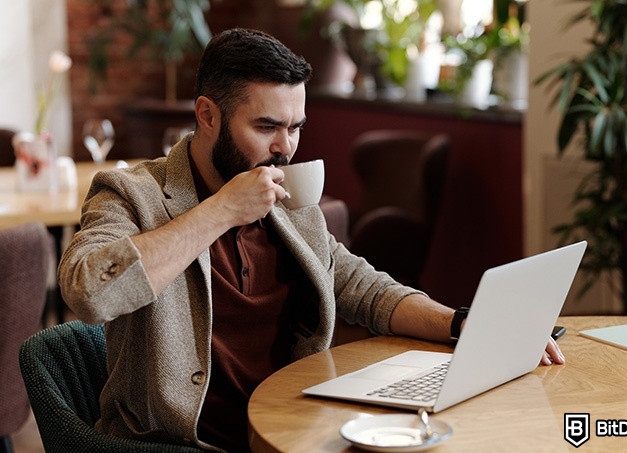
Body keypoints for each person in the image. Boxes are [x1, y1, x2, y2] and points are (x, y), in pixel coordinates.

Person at [58, 28, 564, 452]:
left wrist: (464, 324)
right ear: (207, 115)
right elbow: (88, 291)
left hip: (294, 428)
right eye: (266, 126)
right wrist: (219, 211)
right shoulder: (132, 193)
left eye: (296, 127)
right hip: (187, 444)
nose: (286, 148)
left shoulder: (286, 197)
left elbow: (360, 286)